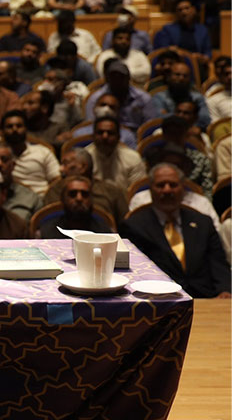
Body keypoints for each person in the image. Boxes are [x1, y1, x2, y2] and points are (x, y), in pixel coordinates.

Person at [119, 164, 231, 299]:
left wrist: (225, 291)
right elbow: (134, 271)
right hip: (159, 300)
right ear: (151, 190)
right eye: (160, 185)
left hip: (207, 298)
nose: (167, 190)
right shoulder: (134, 226)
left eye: (173, 185)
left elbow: (218, 264)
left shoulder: (203, 223)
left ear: (183, 188)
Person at [45, 148, 128, 226]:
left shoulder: (111, 191)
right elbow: (46, 220)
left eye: (66, 164)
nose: (61, 169)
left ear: (83, 167)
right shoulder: (54, 190)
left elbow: (124, 223)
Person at [1, 109, 59, 194]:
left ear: (26, 129)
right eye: (10, 126)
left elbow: (56, 179)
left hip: (42, 197)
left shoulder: (43, 152)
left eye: (19, 126)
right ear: (2, 131)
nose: (14, 129)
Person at [38, 175, 115, 238]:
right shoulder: (47, 231)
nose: (79, 198)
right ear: (63, 199)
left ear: (91, 199)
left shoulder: (104, 232)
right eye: (72, 194)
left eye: (84, 194)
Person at [85, 115, 147, 189]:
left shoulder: (133, 158)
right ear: (93, 136)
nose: (105, 136)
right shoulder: (84, 158)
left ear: (118, 137)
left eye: (110, 133)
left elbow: (137, 192)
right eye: (100, 132)